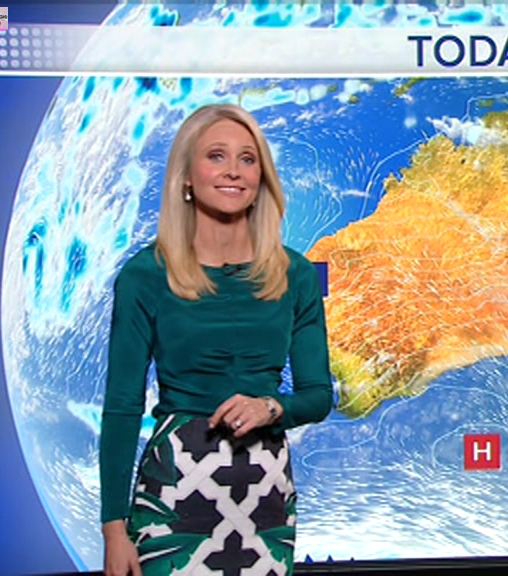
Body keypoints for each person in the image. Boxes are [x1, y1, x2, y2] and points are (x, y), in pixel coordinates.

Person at [99, 103, 333, 576]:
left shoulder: (295, 275)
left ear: (261, 178)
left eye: (248, 159)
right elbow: (122, 407)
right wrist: (114, 530)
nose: (233, 171)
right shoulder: (146, 276)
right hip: (174, 496)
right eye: (216, 156)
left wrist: (272, 408)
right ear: (186, 176)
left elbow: (318, 396)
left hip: (265, 500)